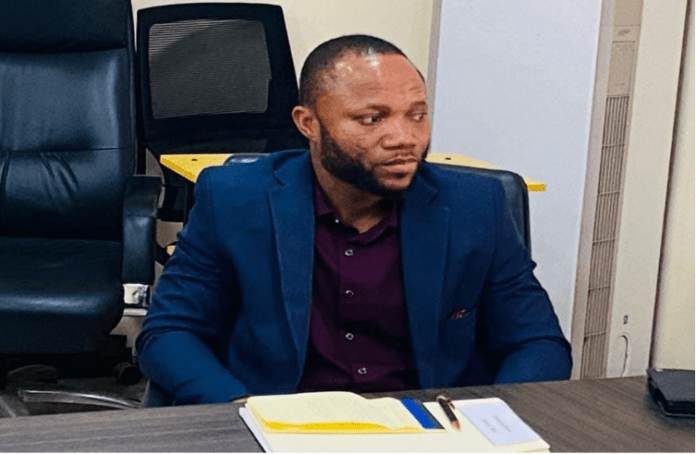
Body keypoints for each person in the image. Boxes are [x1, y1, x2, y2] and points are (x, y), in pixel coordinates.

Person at [136, 34, 571, 406]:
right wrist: (239, 410)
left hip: (429, 428)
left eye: (417, 115)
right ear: (309, 123)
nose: (404, 138)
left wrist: (489, 421)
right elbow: (170, 331)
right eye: (372, 119)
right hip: (278, 423)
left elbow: (538, 342)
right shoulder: (235, 198)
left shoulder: (475, 206)